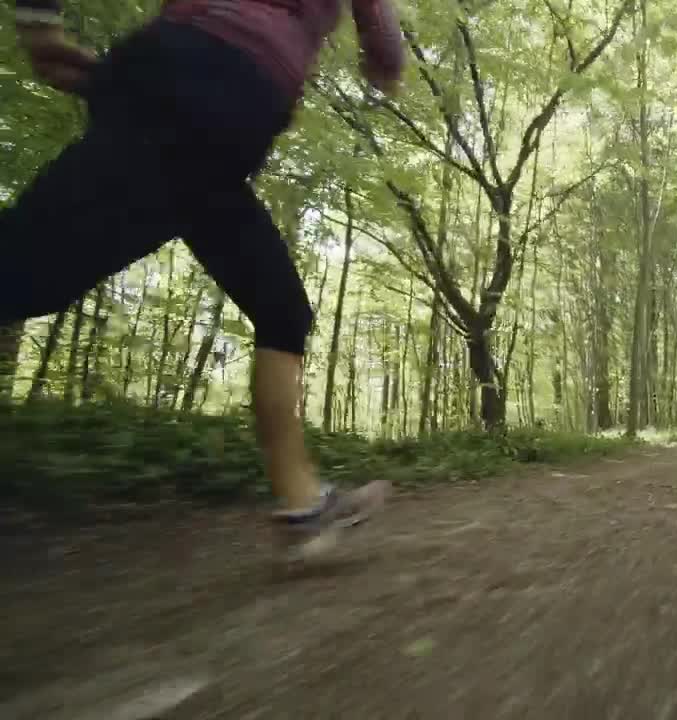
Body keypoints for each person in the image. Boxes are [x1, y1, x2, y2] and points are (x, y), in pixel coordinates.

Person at [4, 0, 406, 560]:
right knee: (22, 275)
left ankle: (304, 508)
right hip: (209, 100)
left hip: (197, 126)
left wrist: (43, 29)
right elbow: (382, 38)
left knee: (282, 310)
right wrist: (386, 62)